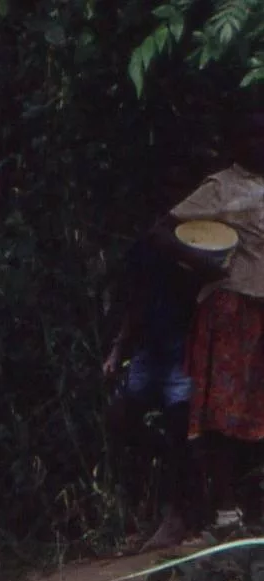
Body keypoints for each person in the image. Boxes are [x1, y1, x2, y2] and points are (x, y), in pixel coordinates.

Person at [162, 110, 264, 534]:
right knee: (223, 409)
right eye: (254, 137)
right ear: (236, 144)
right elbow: (164, 232)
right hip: (232, 306)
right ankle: (225, 509)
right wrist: (202, 266)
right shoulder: (221, 187)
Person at [104, 232, 201, 549]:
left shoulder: (192, 253)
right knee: (121, 418)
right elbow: (136, 306)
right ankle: (161, 494)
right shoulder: (143, 252)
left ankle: (177, 517)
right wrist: (118, 351)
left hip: (182, 350)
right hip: (151, 351)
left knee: (179, 428)